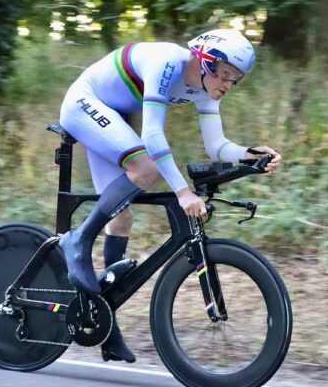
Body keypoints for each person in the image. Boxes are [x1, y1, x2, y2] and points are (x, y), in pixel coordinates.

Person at [57, 29, 282, 363]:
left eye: (236, 80)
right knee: (145, 170)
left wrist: (249, 155)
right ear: (206, 62)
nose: (228, 85)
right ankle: (78, 240)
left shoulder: (207, 89)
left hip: (113, 116)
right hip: (85, 103)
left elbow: (216, 145)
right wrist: (182, 191)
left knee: (122, 216)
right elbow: (151, 133)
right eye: (225, 75)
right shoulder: (167, 63)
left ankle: (105, 325)